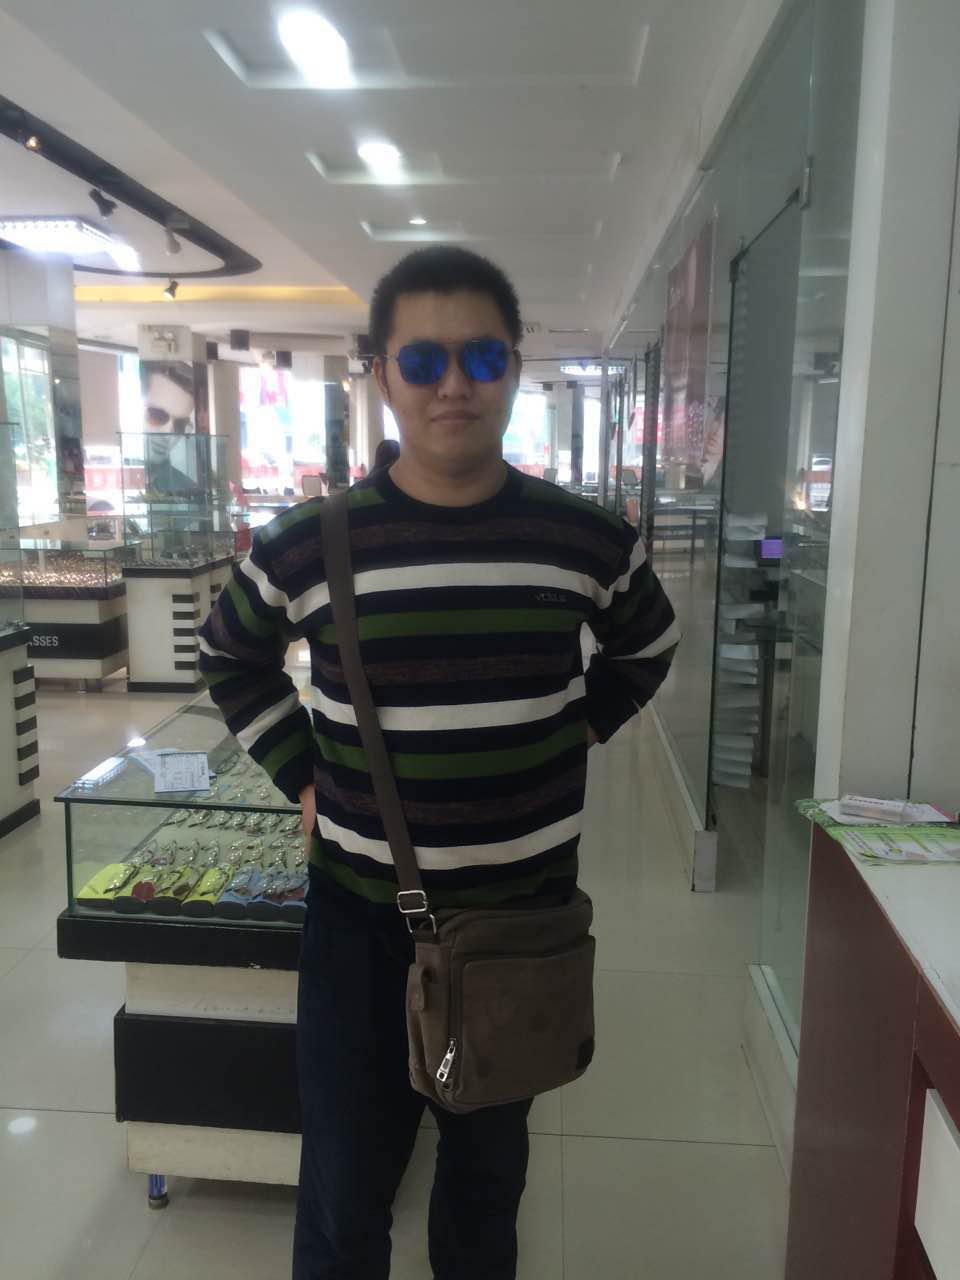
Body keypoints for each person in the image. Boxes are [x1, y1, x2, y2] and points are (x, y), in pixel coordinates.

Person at [198, 246, 679, 1280]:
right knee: (344, 1191)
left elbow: (649, 643)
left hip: (521, 922)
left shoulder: (586, 538)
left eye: (481, 356)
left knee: (485, 1184)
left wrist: (580, 726)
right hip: (361, 921)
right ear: (382, 374)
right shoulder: (307, 542)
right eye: (423, 360)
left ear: (514, 367)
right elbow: (230, 655)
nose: (453, 384)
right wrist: (304, 773)